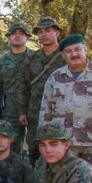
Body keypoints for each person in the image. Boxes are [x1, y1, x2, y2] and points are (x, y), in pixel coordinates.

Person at [39, 34, 92, 175]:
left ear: (85, 50)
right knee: (65, 180)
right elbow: (45, 109)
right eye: (68, 51)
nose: (74, 54)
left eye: (77, 49)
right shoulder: (55, 78)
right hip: (65, 142)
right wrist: (47, 139)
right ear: (63, 56)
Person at [21, 16, 65, 161]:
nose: (43, 35)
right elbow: (25, 86)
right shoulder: (32, 59)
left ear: (57, 33)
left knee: (60, 147)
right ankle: (37, 181)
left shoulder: (65, 56)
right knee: (34, 148)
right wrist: (23, 111)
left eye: (47, 30)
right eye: (40, 32)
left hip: (61, 111)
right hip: (36, 112)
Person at [0, 21, 31, 152]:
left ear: (27, 37)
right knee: (11, 149)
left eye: (21, 33)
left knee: (36, 149)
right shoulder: (1, 62)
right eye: (13, 33)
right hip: (9, 112)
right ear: (8, 38)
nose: (17, 36)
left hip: (33, 109)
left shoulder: (35, 58)